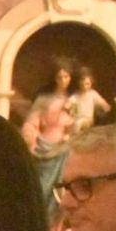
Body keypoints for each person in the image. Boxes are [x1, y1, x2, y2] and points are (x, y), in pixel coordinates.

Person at [21, 60, 78, 218]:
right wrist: (30, 135)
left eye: (66, 76)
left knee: (58, 193)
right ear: (54, 78)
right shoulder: (44, 100)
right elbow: (32, 122)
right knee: (40, 189)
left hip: (63, 150)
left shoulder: (74, 102)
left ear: (70, 78)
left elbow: (78, 126)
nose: (62, 80)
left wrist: (71, 134)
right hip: (42, 147)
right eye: (59, 76)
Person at [70, 67, 111, 133]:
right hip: (77, 119)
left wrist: (105, 106)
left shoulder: (92, 94)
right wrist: (70, 106)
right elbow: (71, 102)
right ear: (79, 83)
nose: (85, 86)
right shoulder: (76, 94)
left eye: (87, 84)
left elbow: (102, 103)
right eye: (82, 84)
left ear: (91, 83)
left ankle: (76, 136)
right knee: (75, 123)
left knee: (79, 123)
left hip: (87, 120)